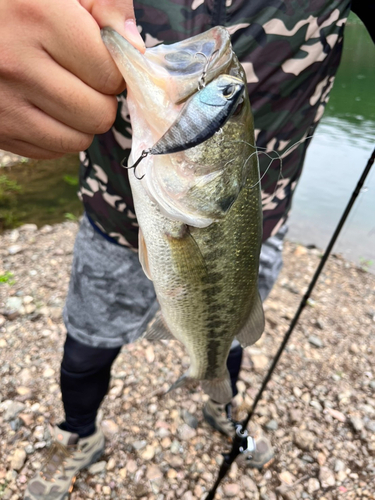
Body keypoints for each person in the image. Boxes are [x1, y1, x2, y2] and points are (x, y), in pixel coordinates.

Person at [1, 1, 373, 499]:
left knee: (228, 331)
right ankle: (77, 432)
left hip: (254, 224)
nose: (218, 89)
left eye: (222, 94)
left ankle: (218, 401)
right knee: (88, 341)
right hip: (113, 210)